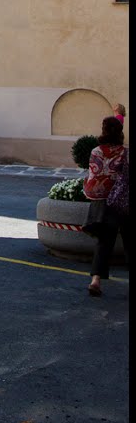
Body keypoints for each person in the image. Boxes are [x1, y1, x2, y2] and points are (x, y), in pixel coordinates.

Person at [83, 116, 129, 297]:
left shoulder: (95, 151)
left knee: (103, 242)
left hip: (101, 202)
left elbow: (92, 174)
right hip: (122, 202)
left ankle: (95, 280)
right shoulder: (125, 153)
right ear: (120, 131)